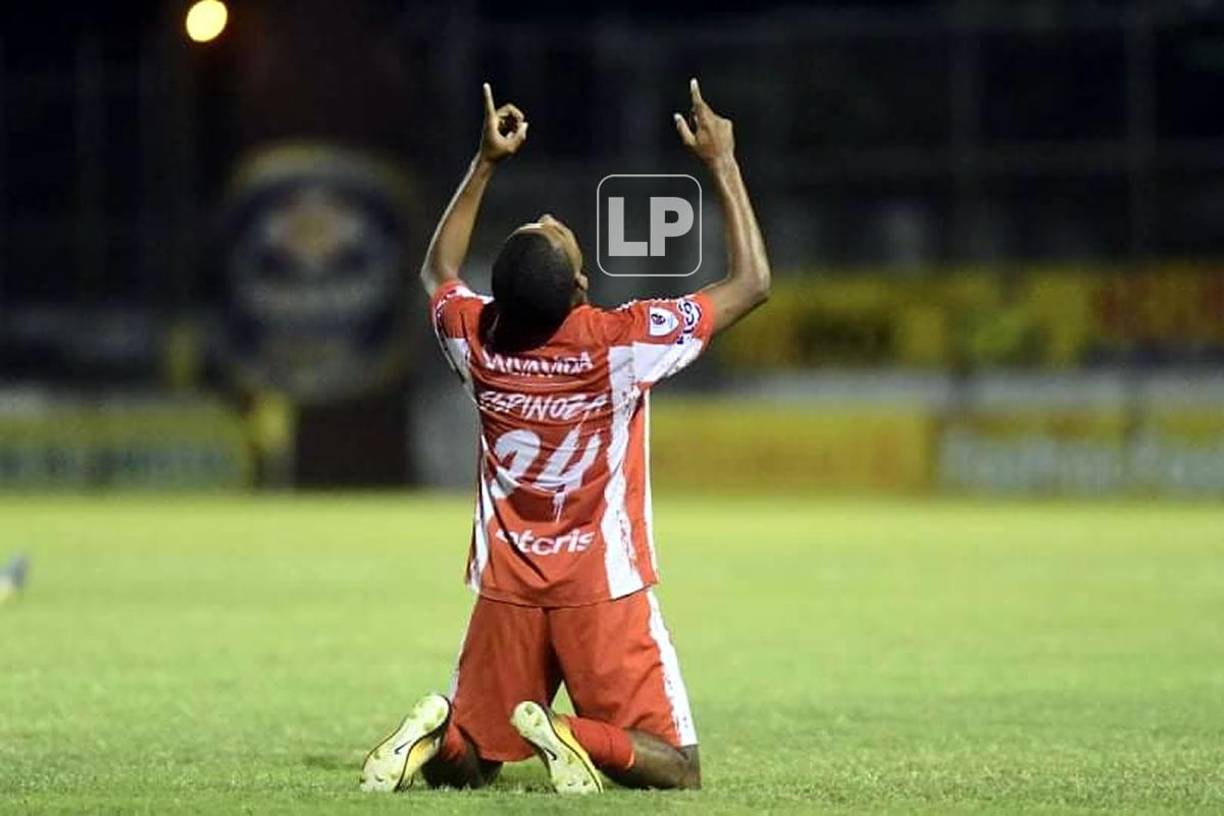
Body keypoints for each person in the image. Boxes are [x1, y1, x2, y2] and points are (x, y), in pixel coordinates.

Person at [362, 78, 770, 795]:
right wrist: (724, 161)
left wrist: (484, 163)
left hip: (507, 586)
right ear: (580, 289)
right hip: (601, 585)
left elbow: (438, 271)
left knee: (473, 762)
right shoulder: (619, 342)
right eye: (556, 234)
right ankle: (572, 735)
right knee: (677, 767)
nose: (551, 214)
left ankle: (436, 736)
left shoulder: (474, 338)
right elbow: (751, 284)